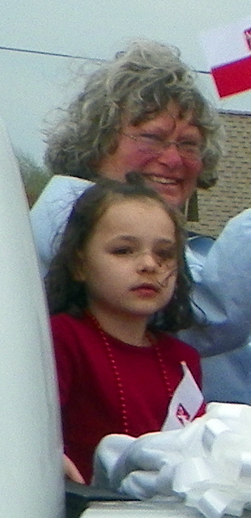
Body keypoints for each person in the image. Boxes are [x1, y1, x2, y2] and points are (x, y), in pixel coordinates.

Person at [31, 39, 251, 404]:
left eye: (188, 144)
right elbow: (207, 313)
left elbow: (248, 362)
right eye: (152, 137)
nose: (172, 159)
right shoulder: (68, 213)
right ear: (96, 142)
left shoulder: (192, 247)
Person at [45, 174, 204, 484]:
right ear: (79, 264)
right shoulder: (60, 339)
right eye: (123, 250)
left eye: (164, 253)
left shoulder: (184, 360)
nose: (148, 264)